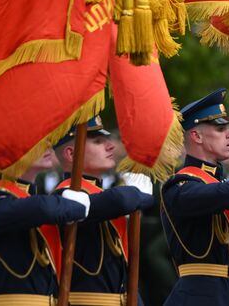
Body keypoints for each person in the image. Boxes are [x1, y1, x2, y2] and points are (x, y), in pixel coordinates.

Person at [160, 88, 229, 306]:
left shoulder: (223, 189)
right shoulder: (181, 185)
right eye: (220, 129)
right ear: (196, 136)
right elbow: (211, 195)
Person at [0, 148, 91, 306]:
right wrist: (71, 204)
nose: (47, 146)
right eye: (36, 142)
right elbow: (41, 208)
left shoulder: (36, 205)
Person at [53, 115, 154, 306]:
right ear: (71, 154)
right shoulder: (65, 196)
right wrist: (139, 195)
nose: (110, 146)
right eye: (98, 142)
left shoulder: (100, 196)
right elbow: (121, 200)